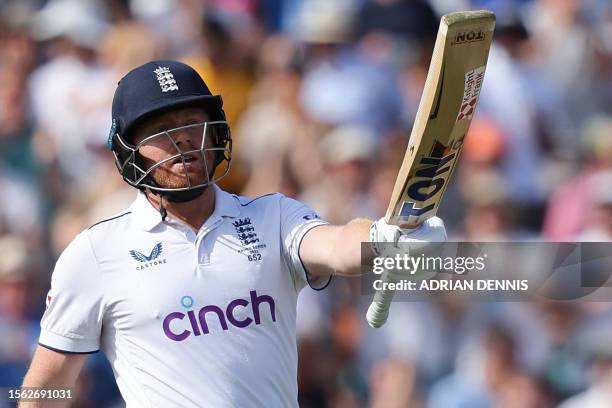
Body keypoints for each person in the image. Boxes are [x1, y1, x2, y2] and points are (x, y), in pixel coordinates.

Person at [20, 60, 445, 407]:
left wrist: (385, 237)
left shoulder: (272, 216)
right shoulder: (95, 253)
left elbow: (338, 245)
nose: (183, 140)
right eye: (160, 131)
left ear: (216, 133)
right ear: (128, 150)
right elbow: (43, 392)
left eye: (192, 122)